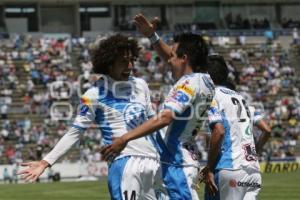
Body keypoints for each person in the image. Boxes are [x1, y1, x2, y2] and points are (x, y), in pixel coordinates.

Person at [18, 34, 163, 200]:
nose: (129, 65)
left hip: (154, 162)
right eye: (123, 61)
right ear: (108, 63)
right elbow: (75, 132)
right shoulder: (93, 95)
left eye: (132, 60)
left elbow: (154, 124)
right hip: (125, 163)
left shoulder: (141, 85)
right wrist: (45, 162)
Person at [101, 14, 215, 200]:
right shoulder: (205, 80)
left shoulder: (187, 84)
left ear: (184, 58)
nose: (168, 60)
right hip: (177, 160)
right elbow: (175, 59)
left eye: (173, 55)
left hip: (177, 164)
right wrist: (153, 37)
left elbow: (165, 117)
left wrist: (125, 138)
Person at [203, 55, 271, 200]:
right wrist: (256, 149)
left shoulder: (212, 96)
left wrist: (209, 167)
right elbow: (267, 129)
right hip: (253, 171)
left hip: (229, 167)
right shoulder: (241, 98)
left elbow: (219, 132)